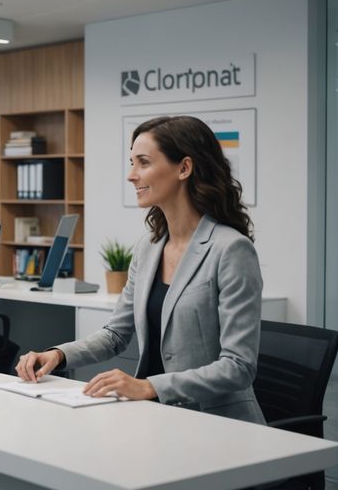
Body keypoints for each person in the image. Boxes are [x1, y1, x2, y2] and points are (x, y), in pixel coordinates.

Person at [15, 115, 265, 424]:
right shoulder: (149, 247)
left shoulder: (231, 250)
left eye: (143, 163)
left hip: (214, 423)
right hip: (154, 415)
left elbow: (238, 367)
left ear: (184, 168)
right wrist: (58, 354)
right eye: (131, 163)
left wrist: (149, 386)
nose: (132, 175)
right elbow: (115, 335)